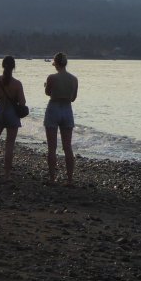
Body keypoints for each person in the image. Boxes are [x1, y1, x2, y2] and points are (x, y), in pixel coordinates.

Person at [43, 52, 79, 185]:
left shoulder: (52, 77)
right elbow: (73, 98)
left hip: (53, 108)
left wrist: (46, 85)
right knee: (67, 147)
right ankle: (69, 179)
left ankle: (52, 178)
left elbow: (47, 92)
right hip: (67, 109)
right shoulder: (74, 79)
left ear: (56, 64)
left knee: (52, 147)